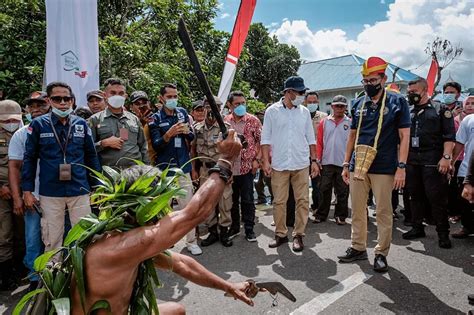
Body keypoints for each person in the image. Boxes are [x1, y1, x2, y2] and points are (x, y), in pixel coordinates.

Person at [337, 57, 410, 272]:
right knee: (357, 209)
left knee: (382, 211)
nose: (369, 84)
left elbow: (405, 136)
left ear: (384, 79)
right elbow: (351, 137)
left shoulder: (397, 102)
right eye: (365, 80)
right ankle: (358, 247)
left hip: (384, 166)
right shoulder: (358, 103)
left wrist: (402, 167)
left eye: (372, 80)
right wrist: (345, 163)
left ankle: (381, 252)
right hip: (357, 165)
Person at [21, 81, 101, 252]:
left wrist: (97, 186)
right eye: (58, 99)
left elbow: (91, 156)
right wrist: (27, 191)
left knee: (84, 236)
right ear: (49, 101)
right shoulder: (38, 125)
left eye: (67, 98)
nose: (63, 103)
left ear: (72, 100)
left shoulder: (81, 124)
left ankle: (81, 274)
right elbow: (29, 159)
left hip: (79, 188)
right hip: (50, 191)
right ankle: (53, 273)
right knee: (52, 237)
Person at [261, 76, 319, 252]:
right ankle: (280, 234)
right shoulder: (272, 111)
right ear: (289, 92)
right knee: (279, 202)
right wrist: (265, 161)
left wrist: (314, 161)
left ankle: (299, 235)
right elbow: (265, 139)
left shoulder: (303, 113)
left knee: (302, 200)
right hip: (279, 164)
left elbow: (311, 138)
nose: (303, 95)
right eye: (300, 92)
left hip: (301, 164)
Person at [402, 78, 455, 249]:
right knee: (414, 196)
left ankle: (443, 233)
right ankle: (417, 227)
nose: (411, 95)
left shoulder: (440, 109)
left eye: (414, 92)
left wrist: (446, 158)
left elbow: (449, 137)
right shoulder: (407, 111)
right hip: (412, 160)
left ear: (425, 90)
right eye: (409, 92)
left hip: (432, 160)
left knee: (436, 198)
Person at [148, 83, 201, 255]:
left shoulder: (182, 113)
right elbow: (156, 146)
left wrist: (185, 131)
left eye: (175, 96)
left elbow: (192, 136)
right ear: (161, 98)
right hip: (165, 169)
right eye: (169, 96)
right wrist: (168, 134)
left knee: (189, 207)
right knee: (165, 210)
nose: (173, 99)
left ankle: (191, 241)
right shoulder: (155, 119)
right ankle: (165, 243)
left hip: (183, 166)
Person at [8, 91, 50, 291]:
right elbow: (14, 167)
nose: (36, 109)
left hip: (56, 196)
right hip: (31, 196)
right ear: (27, 110)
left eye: (40, 104)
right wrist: (18, 196)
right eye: (32, 106)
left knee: (57, 237)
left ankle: (56, 275)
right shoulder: (21, 134)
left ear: (48, 105)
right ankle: (34, 279)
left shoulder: (57, 130)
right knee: (33, 238)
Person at [191, 96, 233, 247]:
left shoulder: (226, 128)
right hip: (204, 170)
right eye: (207, 106)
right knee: (207, 202)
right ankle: (212, 232)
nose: (211, 110)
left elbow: (233, 152)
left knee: (225, 202)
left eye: (215, 106)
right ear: (203, 108)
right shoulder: (196, 128)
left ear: (220, 109)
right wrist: (194, 169)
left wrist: (230, 172)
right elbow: (193, 150)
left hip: (222, 169)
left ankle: (224, 232)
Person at [224, 91, 262, 242]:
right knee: (231, 200)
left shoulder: (253, 121)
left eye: (243, 103)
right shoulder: (225, 121)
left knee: (247, 199)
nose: (241, 106)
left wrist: (257, 160)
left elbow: (261, 141)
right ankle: (234, 227)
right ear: (229, 105)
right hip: (230, 169)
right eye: (237, 104)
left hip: (247, 167)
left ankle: (249, 229)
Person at [89, 78, 149, 168]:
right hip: (109, 175)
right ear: (105, 95)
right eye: (113, 93)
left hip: (135, 173)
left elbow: (143, 147)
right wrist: (103, 143)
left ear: (125, 96)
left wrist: (148, 170)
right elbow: (87, 149)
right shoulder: (95, 120)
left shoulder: (134, 119)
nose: (117, 96)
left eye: (121, 93)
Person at [314, 95, 351, 225]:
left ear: (346, 107)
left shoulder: (350, 122)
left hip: (343, 163)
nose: (339, 108)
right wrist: (318, 159)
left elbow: (352, 143)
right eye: (337, 106)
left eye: (342, 106)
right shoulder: (324, 122)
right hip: (326, 162)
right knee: (324, 189)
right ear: (332, 106)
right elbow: (319, 142)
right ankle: (321, 214)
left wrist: (349, 162)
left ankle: (341, 215)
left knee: (342, 191)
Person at [0, 100, 23, 290]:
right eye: (6, 120)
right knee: (4, 233)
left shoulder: (26, 133)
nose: (11, 123)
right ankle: (5, 275)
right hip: (2, 193)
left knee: (22, 231)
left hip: (23, 190)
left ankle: (19, 270)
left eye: (15, 119)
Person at [450, 95, 474, 239]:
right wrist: (451, 162)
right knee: (466, 202)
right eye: (468, 103)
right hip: (467, 169)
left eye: (473, 103)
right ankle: (467, 227)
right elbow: (459, 143)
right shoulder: (468, 120)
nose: (470, 105)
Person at [305, 91, 327, 213]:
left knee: (317, 184)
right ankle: (302, 208)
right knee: (302, 185)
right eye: (309, 102)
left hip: (318, 156)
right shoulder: (301, 115)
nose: (312, 104)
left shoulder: (324, 117)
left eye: (314, 102)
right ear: (305, 102)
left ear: (318, 102)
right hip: (303, 156)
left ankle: (317, 207)